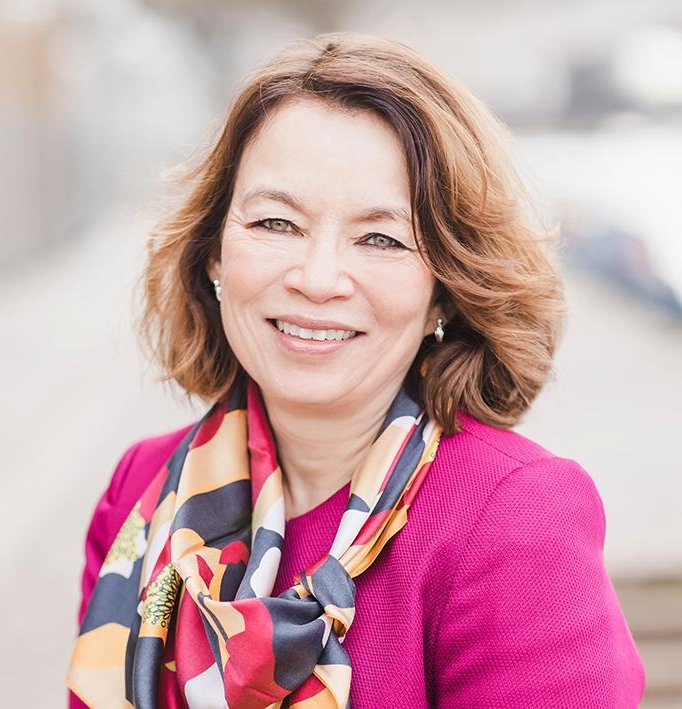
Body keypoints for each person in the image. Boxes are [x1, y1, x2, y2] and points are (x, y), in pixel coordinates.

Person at [67, 32, 645, 708]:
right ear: (214, 254)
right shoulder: (140, 491)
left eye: (380, 238)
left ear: (445, 287)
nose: (316, 279)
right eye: (276, 223)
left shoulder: (512, 517)